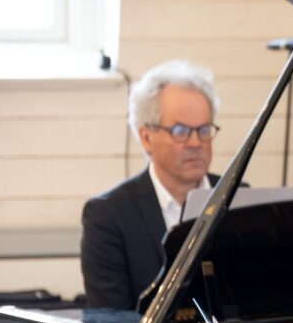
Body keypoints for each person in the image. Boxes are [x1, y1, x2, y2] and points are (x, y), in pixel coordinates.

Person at [81, 60, 221, 310]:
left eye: (203, 129)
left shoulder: (238, 196)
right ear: (146, 137)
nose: (195, 142)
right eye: (180, 131)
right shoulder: (109, 216)